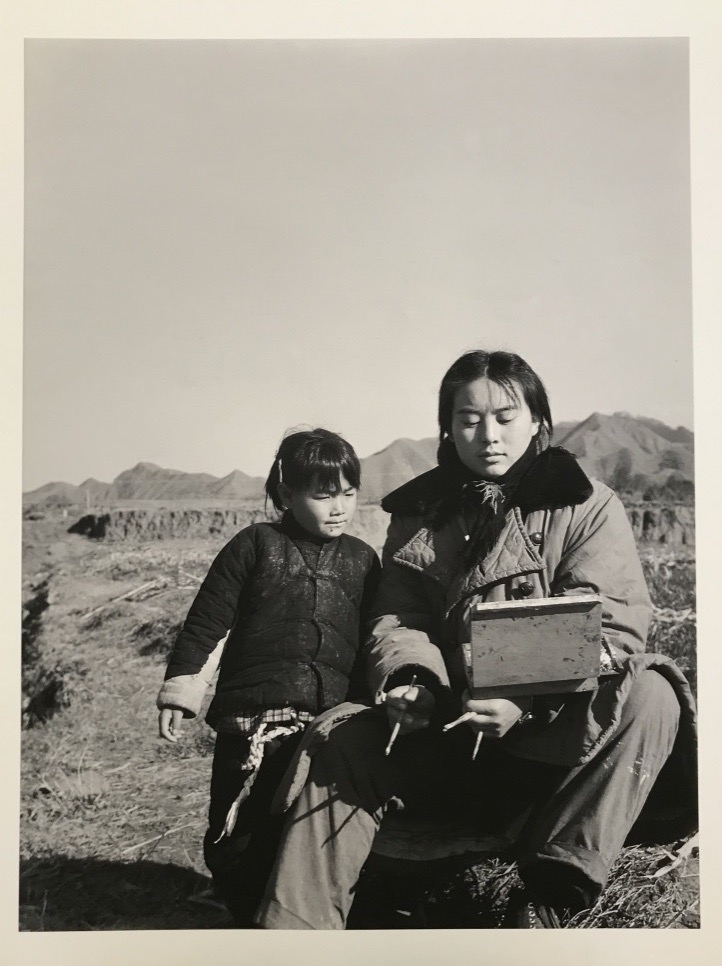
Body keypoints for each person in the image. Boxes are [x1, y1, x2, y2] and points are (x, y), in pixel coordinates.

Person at [253, 350, 697, 930]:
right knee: (343, 743)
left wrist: (520, 695)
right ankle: (292, 935)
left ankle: (552, 893)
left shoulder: (586, 505)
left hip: (551, 735)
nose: (488, 435)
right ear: (447, 427)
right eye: (468, 419)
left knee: (653, 693)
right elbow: (399, 616)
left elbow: (610, 626)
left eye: (506, 417)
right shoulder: (418, 512)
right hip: (445, 728)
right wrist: (413, 683)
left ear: (538, 421)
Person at [156, 428, 381, 925]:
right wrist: (183, 690)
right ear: (285, 494)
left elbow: (371, 642)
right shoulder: (256, 545)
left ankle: (289, 921)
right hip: (252, 721)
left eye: (348, 493)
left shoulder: (363, 560)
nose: (339, 507)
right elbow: (210, 622)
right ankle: (241, 909)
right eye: (322, 495)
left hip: (327, 728)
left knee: (303, 832)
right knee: (238, 830)